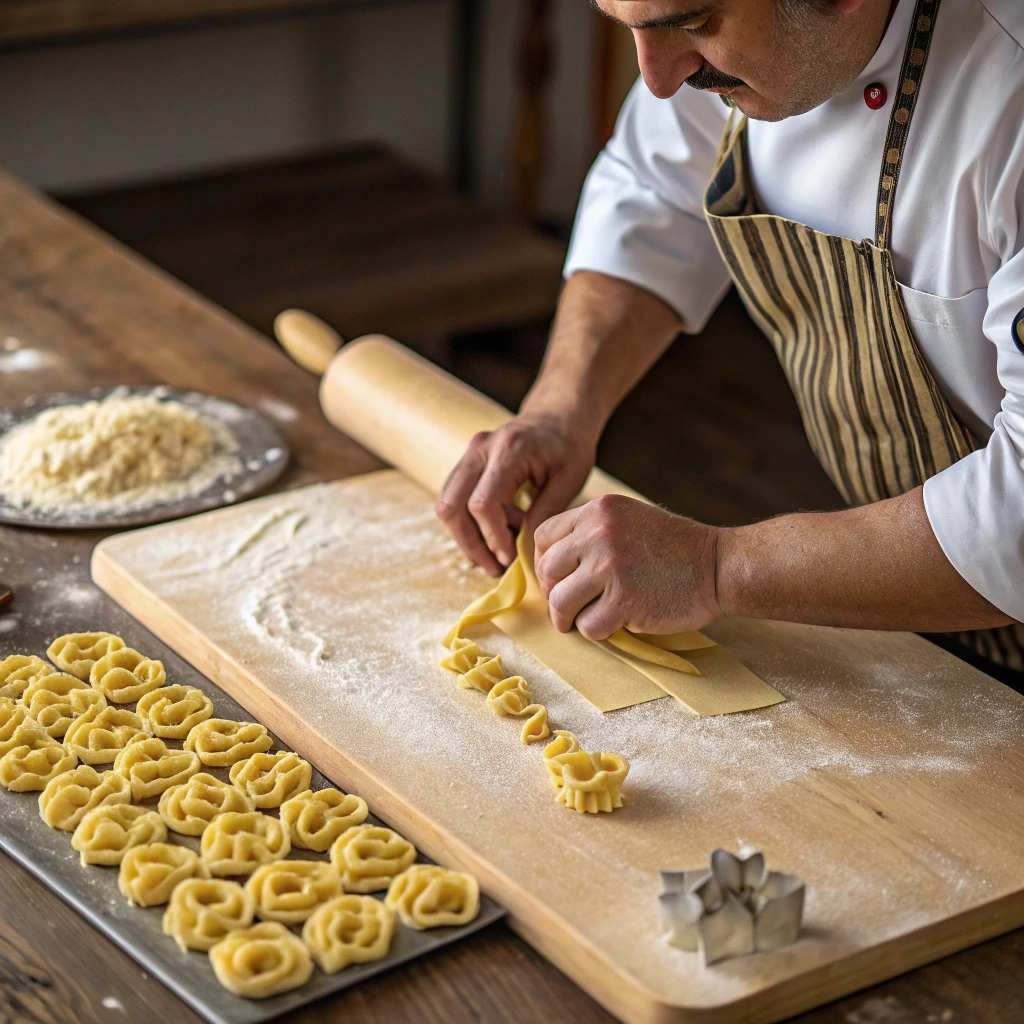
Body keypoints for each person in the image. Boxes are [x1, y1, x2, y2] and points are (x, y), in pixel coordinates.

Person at [436, 0, 1024, 688]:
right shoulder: (719, 51)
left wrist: (718, 568)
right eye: (625, 25)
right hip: (936, 618)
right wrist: (559, 407)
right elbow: (654, 192)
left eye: (691, 24)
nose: (653, 79)